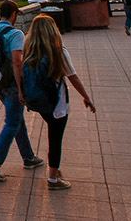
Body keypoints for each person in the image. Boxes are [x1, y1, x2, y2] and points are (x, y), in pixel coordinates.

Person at [21, 15, 96, 190]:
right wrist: (86, 97)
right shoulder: (58, 51)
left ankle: (55, 170)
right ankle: (53, 178)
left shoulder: (30, 51)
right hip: (57, 103)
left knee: (52, 132)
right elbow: (73, 77)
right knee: (55, 139)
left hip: (38, 102)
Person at [0, 0, 43, 182]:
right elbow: (17, 62)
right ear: (14, 14)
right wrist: (22, 89)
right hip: (12, 85)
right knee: (12, 122)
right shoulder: (15, 33)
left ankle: (28, 157)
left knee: (16, 120)